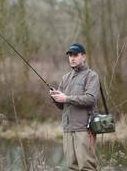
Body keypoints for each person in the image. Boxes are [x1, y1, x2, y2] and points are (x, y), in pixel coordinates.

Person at [50, 43, 100, 171]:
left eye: (75, 55)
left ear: (83, 56)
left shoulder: (91, 76)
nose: (72, 58)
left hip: (84, 129)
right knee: (72, 167)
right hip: (67, 129)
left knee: (87, 167)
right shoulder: (65, 78)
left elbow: (90, 99)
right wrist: (55, 97)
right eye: (70, 55)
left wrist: (66, 98)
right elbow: (62, 106)